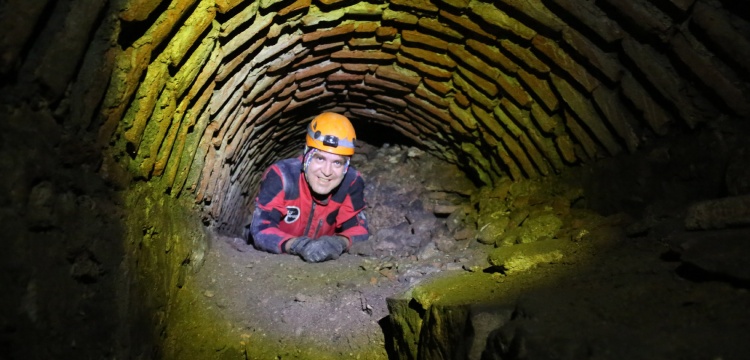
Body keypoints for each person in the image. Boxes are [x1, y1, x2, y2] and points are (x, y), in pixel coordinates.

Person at [250, 112, 369, 262]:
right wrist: (298, 245)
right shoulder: (282, 176)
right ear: (307, 155)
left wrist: (339, 243)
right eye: (320, 158)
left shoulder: (351, 182)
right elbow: (261, 230)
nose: (327, 172)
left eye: (337, 163)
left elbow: (360, 230)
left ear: (346, 166)